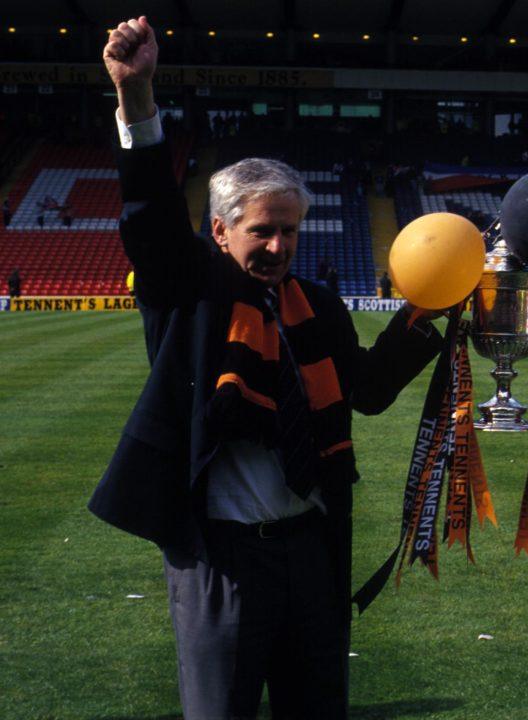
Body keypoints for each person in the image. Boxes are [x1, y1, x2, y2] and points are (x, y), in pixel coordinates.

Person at [88, 18, 442, 719]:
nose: (279, 246)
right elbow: (152, 213)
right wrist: (136, 97)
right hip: (221, 559)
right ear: (220, 231)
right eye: (262, 230)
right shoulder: (189, 292)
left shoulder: (317, 304)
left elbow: (368, 391)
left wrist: (426, 312)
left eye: (290, 230)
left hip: (312, 549)